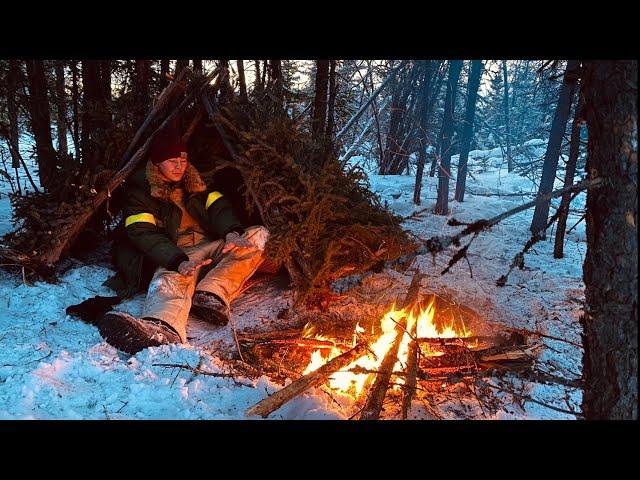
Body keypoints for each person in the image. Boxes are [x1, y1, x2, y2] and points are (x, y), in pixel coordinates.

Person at [100, 127, 269, 354]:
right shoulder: (141, 191)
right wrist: (177, 260)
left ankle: (211, 294)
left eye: (183, 159)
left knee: (258, 236)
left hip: (211, 243)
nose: (179, 166)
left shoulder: (195, 182)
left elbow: (218, 206)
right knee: (171, 280)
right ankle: (162, 327)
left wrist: (231, 232)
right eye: (171, 161)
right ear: (157, 163)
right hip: (177, 250)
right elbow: (143, 233)